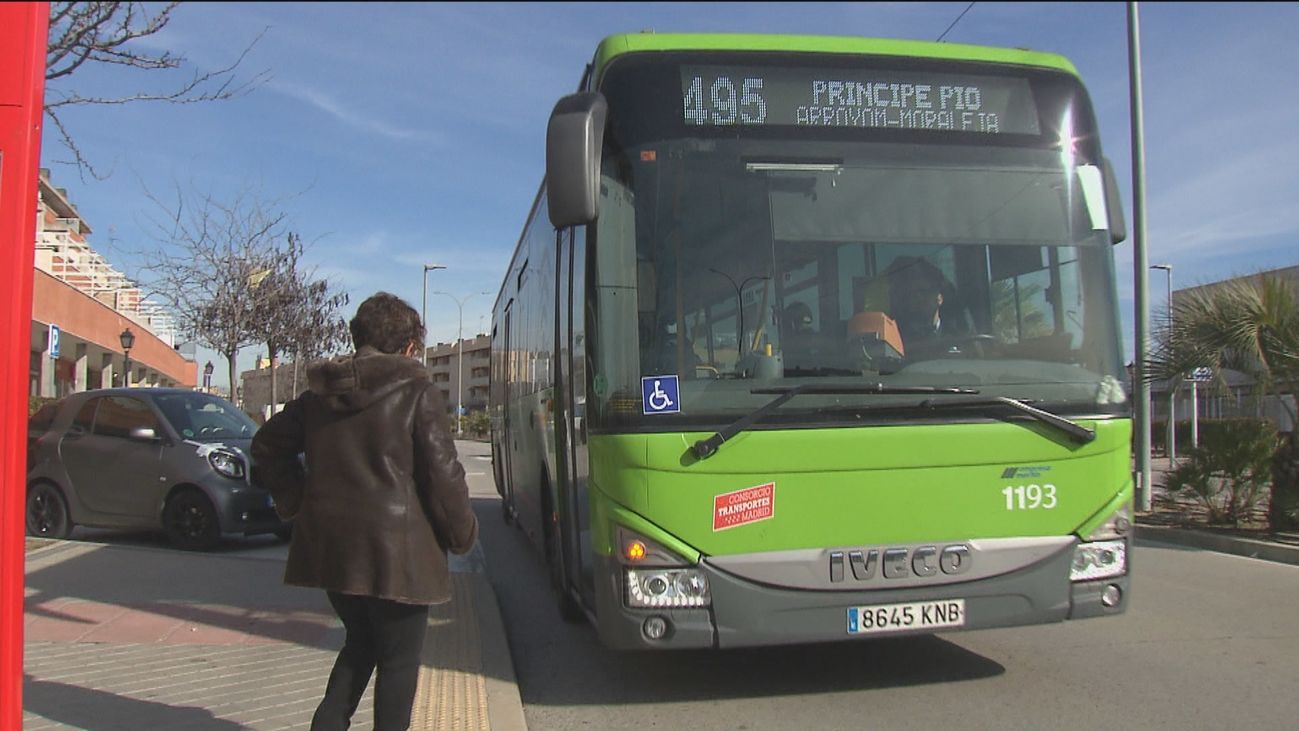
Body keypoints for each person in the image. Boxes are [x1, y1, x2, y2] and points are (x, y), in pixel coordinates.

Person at [251, 292, 478, 731]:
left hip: (334, 552)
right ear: (410, 346)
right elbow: (442, 473)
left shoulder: (321, 393)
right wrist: (462, 534)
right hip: (400, 559)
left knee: (362, 642)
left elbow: (265, 446)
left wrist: (296, 498)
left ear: (358, 339)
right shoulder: (417, 391)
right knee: (398, 662)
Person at [884, 257, 969, 351]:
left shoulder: (961, 339)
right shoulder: (894, 339)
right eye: (913, 293)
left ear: (939, 297)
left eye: (924, 292)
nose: (918, 297)